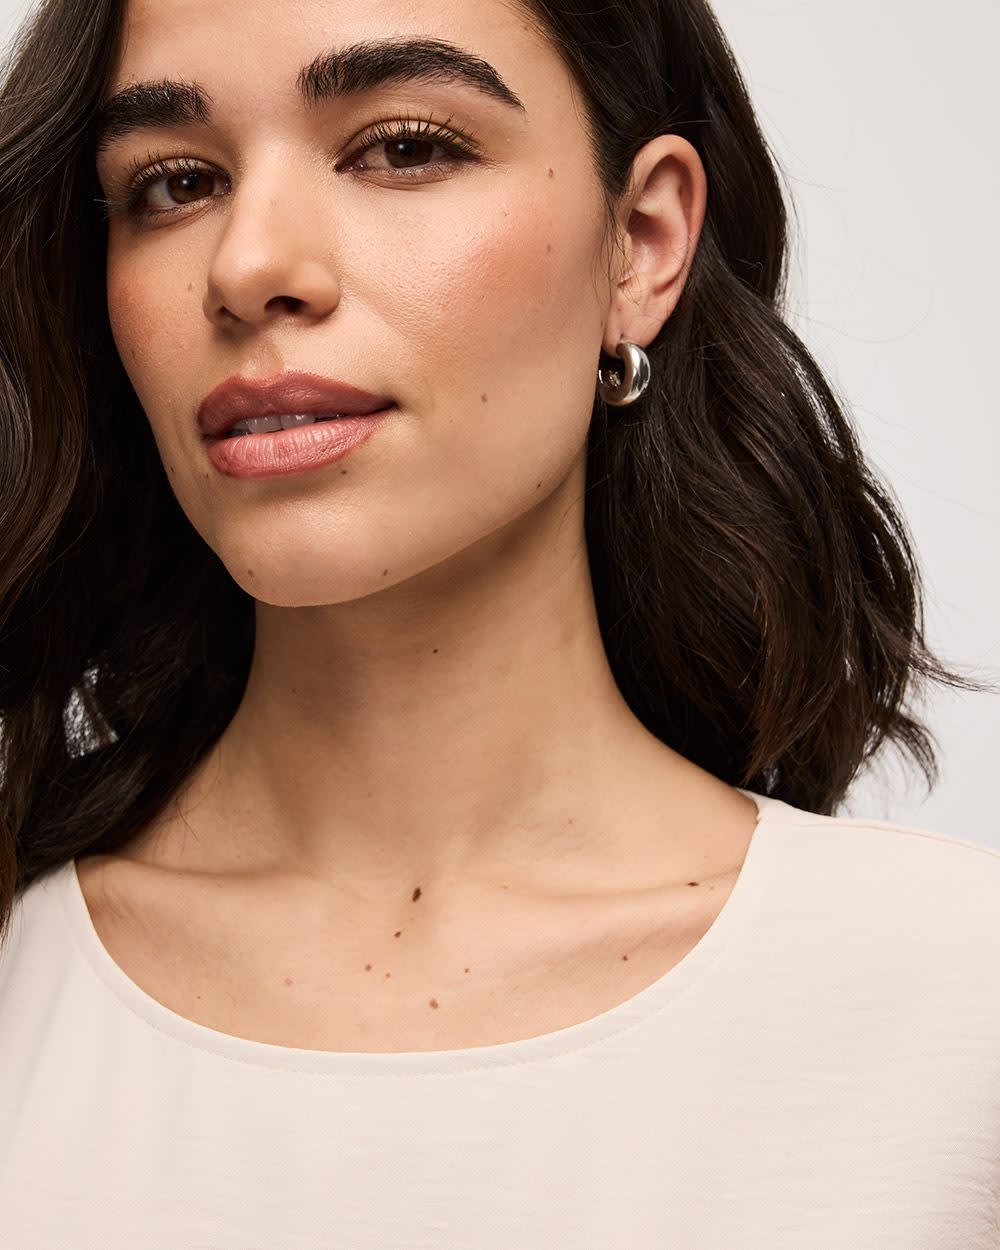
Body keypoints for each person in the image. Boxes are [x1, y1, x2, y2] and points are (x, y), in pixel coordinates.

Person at [0, 0, 997, 1244]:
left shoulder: (960, 1011)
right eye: (175, 182)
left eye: (403, 147)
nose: (248, 265)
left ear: (640, 244)